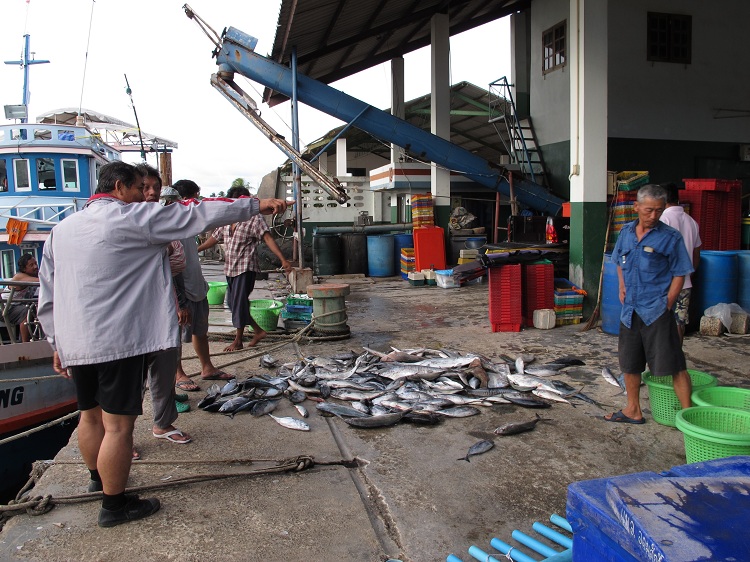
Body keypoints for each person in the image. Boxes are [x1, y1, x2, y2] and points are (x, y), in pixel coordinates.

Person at [37, 161, 290, 527]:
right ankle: (114, 505)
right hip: (117, 343)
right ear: (120, 187)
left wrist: (55, 342)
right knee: (119, 428)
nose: (146, 195)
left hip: (76, 341)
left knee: (89, 416)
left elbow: (48, 294)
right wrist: (257, 204)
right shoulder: (134, 219)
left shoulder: (61, 230)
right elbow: (198, 213)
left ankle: (97, 480)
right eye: (140, 188)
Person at [605, 184, 695, 425]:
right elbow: (618, 260)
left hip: (656, 310)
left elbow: (681, 272)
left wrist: (668, 301)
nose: (654, 216)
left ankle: (690, 416)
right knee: (630, 363)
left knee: (674, 364)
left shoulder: (670, 237)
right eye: (648, 210)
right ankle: (633, 409)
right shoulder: (625, 232)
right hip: (630, 311)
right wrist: (622, 285)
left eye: (658, 210)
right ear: (636, 207)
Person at [197, 186, 293, 351]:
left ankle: (238, 340)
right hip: (230, 269)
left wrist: (283, 259)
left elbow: (268, 239)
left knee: (239, 303)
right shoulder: (226, 220)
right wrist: (197, 249)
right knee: (232, 303)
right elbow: (214, 238)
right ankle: (258, 331)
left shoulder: (254, 219)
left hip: (246, 268)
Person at [137, 163, 191, 446]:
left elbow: (179, 262)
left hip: (164, 310)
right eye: (144, 188)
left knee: (164, 369)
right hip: (131, 317)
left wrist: (166, 248)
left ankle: (163, 423)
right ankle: (121, 439)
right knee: (128, 381)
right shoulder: (124, 222)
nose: (150, 194)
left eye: (155, 189)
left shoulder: (161, 222)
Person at [172, 179, 235, 382]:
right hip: (183, 292)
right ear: (187, 199)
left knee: (201, 331)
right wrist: (180, 302)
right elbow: (170, 271)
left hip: (198, 287)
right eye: (196, 197)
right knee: (176, 338)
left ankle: (207, 367)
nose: (198, 201)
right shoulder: (169, 227)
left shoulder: (188, 225)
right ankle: (178, 373)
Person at [659, 182, 702, 343]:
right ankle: (676, 360)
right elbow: (697, 253)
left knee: (660, 322)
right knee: (679, 322)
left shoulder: (663, 219)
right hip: (686, 283)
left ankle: (663, 361)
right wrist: (689, 274)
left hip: (665, 284)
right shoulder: (692, 222)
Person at [6, 254, 39, 342]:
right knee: (27, 311)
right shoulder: (19, 276)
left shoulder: (33, 275)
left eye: (35, 263)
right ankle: (25, 343)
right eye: (31, 265)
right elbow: (40, 281)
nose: (35, 266)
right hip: (5, 308)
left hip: (16, 307)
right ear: (24, 269)